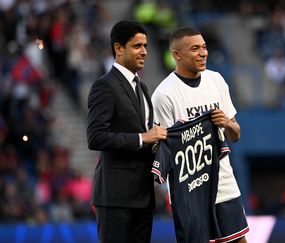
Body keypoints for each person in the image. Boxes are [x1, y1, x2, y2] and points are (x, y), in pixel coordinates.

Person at [151, 26, 249, 243]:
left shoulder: (216, 80)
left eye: (204, 47)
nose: (203, 53)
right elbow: (166, 148)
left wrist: (227, 124)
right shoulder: (164, 95)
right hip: (191, 191)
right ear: (176, 54)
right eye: (195, 49)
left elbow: (236, 135)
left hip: (224, 183)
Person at [86, 20, 167, 243]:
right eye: (137, 46)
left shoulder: (141, 86)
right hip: (115, 197)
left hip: (143, 195)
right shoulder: (104, 86)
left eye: (146, 46)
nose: (144, 52)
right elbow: (96, 137)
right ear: (118, 48)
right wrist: (144, 138)